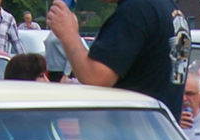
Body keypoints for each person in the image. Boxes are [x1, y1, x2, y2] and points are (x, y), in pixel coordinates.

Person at [46, 0, 188, 112]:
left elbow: (95, 78)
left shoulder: (135, 10)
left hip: (128, 137)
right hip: (158, 134)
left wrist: (68, 34)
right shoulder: (168, 8)